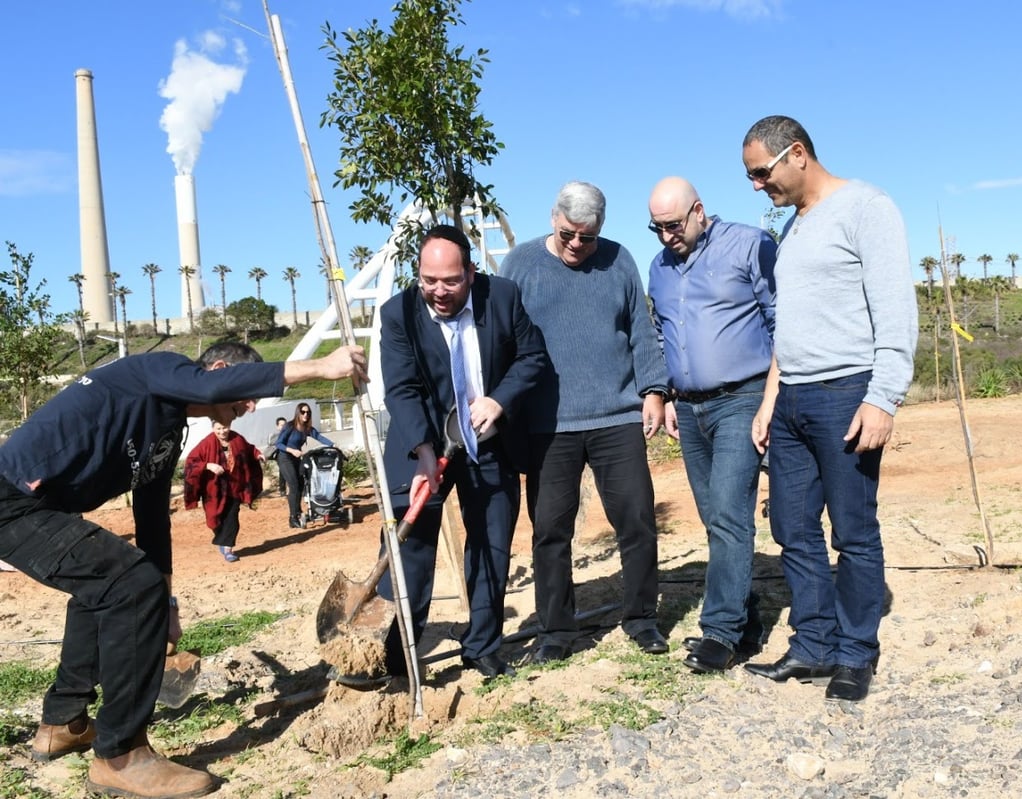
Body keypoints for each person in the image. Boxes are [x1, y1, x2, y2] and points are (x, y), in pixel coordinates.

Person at [0, 342, 365, 799]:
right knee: (128, 583)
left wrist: (167, 603)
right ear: (218, 369)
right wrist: (319, 367)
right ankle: (121, 755)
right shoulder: (156, 368)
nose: (250, 405)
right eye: (246, 393)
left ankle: (64, 722)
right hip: (11, 499)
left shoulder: (169, 428)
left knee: (109, 584)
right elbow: (210, 385)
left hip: (39, 509)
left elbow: (152, 518)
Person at [739, 115, 918, 703]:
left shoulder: (868, 207)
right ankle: (812, 645)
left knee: (853, 532)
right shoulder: (793, 230)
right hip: (791, 400)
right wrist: (770, 400)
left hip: (847, 393)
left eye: (761, 173)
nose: (758, 185)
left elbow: (895, 310)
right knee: (791, 527)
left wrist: (883, 397)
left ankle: (854, 652)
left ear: (797, 154)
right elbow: (788, 328)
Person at [502, 181, 671, 664]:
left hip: (617, 417)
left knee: (636, 520)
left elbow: (641, 329)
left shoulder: (619, 261)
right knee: (550, 531)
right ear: (553, 217)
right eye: (568, 234)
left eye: (588, 237)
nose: (578, 245)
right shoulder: (520, 265)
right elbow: (503, 340)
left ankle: (642, 618)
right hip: (547, 425)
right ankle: (557, 630)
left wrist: (654, 391)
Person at [377, 224, 547, 680]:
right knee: (409, 547)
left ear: (470, 272)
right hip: (425, 446)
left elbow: (532, 357)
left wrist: (499, 399)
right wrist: (423, 449)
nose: (438, 291)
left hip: (489, 442)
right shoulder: (399, 314)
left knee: (491, 544)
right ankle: (399, 655)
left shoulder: (503, 297)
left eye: (450, 281)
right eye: (428, 280)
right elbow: (402, 387)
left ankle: (483, 646)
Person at [645, 176, 777, 673]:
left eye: (673, 225)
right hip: (691, 409)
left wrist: (771, 398)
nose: (665, 237)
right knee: (714, 517)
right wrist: (669, 393)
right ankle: (747, 621)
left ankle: (720, 632)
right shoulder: (659, 267)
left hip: (743, 398)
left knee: (728, 512)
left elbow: (779, 319)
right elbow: (662, 336)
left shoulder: (749, 245)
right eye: (655, 228)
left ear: (699, 210)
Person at [183, 419, 264, 562]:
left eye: (224, 428)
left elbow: (249, 449)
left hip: (235, 487)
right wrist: (208, 465)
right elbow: (191, 461)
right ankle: (222, 538)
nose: (222, 432)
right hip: (213, 489)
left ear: (229, 426)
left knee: (232, 517)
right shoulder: (206, 443)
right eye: (218, 429)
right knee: (214, 518)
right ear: (213, 428)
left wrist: (258, 454)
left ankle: (228, 548)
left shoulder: (237, 438)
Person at [275, 403, 334, 528]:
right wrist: (292, 450)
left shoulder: (307, 428)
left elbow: (319, 437)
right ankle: (293, 518)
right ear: (298, 412)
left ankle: (297, 511)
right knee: (294, 485)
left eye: (308, 412)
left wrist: (333, 445)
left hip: (297, 457)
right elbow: (278, 444)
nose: (305, 414)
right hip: (285, 457)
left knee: (301, 485)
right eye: (303, 412)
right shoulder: (289, 426)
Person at [267, 416, 287, 496]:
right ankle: (282, 489)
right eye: (282, 425)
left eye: (285, 425)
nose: (283, 427)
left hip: (289, 455)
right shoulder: (275, 435)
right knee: (283, 471)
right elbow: (271, 444)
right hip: (280, 455)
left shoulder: (289, 434)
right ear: (277, 426)